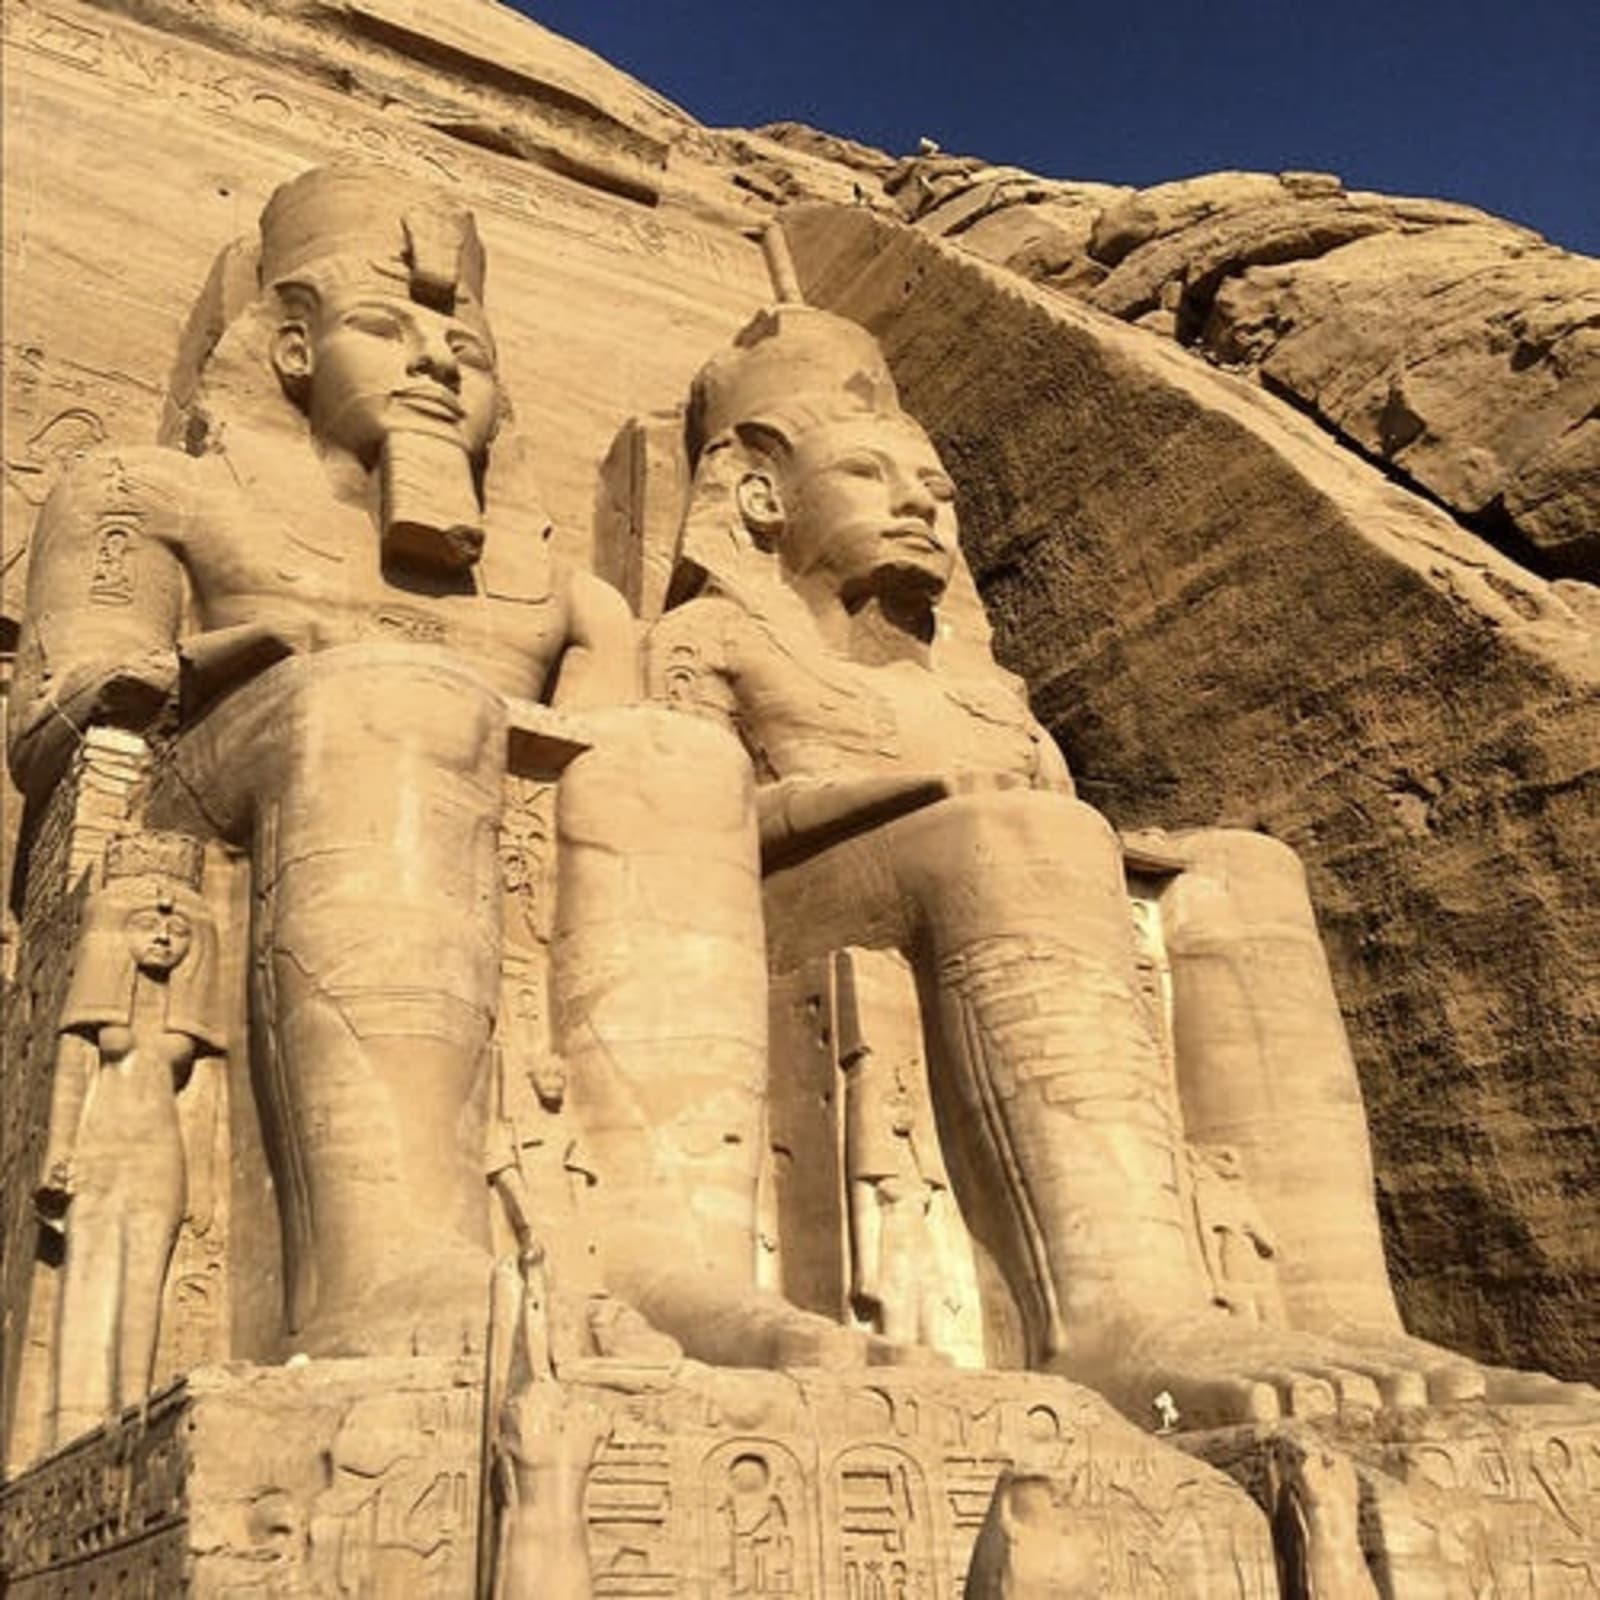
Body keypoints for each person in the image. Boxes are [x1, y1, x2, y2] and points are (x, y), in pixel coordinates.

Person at [638, 301, 1578, 1424]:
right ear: (760, 497)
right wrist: (914, 794)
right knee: (1018, 838)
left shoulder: (987, 692)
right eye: (867, 476)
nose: (920, 507)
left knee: (1244, 873)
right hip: (796, 905)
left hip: (988, 880)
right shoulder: (715, 639)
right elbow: (688, 822)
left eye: (937, 490)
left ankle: (1343, 1309)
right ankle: (1113, 1315)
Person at [9, 165, 636, 1358]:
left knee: (678, 765)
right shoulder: (152, 493)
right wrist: (227, 654)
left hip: (459, 817)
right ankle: (382, 1270)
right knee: (390, 694)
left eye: (467, 349)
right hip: (208, 798)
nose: (438, 364)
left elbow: (611, 764)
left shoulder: (567, 595)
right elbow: (54, 717)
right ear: (291, 349)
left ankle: (658, 1267)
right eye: (387, 328)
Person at [38, 835, 224, 1444]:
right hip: (99, 1146)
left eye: (178, 931)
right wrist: (58, 1153)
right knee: (87, 1276)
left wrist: (207, 1181)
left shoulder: (187, 1025)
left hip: (160, 1151)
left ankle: (133, 1411)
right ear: (117, 932)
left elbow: (206, 1104)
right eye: (148, 925)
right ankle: (74, 1423)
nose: (165, 937)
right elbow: (71, 1079)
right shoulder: (96, 1015)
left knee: (147, 1277)